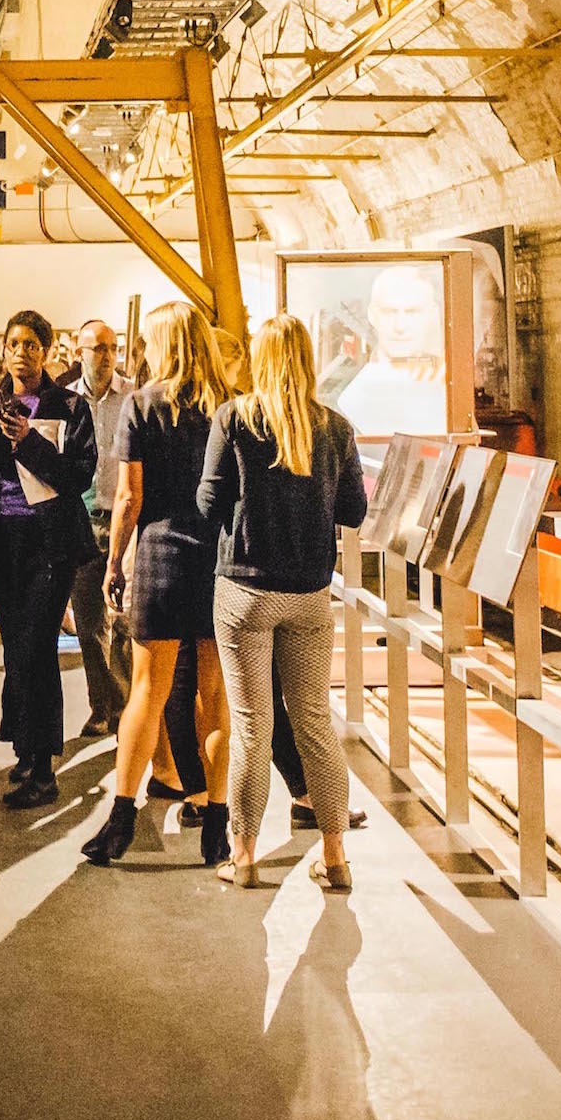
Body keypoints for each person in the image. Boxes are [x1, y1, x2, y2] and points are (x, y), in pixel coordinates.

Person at [199, 314, 364, 892]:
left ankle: (243, 857)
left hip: (244, 590)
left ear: (260, 358)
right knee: (315, 722)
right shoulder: (336, 428)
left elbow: (209, 502)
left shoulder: (235, 418)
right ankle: (336, 855)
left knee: (252, 727)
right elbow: (354, 513)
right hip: (311, 595)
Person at [80, 305, 235, 868]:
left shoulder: (142, 405)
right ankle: (218, 825)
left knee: (149, 689)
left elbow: (128, 496)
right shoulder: (230, 408)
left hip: (162, 555)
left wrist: (114, 561)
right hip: (220, 561)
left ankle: (121, 820)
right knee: (215, 696)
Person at [0, 308, 97, 809]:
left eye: (31, 345)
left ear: (46, 350)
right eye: (14, 344)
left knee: (38, 646)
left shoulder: (68, 406)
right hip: (2, 543)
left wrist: (29, 442)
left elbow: (78, 477)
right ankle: (24, 748)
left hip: (50, 544)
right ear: (4, 351)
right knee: (17, 647)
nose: (21, 353)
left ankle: (43, 767)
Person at [59, 316, 135, 741]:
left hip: (127, 522)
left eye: (110, 348)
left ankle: (125, 707)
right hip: (83, 521)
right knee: (89, 623)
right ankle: (100, 706)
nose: (105, 356)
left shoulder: (134, 399)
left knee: (123, 621)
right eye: (96, 348)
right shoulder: (65, 402)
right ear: (79, 353)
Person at [329, 262, 448, 435]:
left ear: (432, 314)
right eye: (390, 312)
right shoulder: (347, 397)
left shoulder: (448, 385)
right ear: (372, 315)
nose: (400, 326)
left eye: (412, 312)